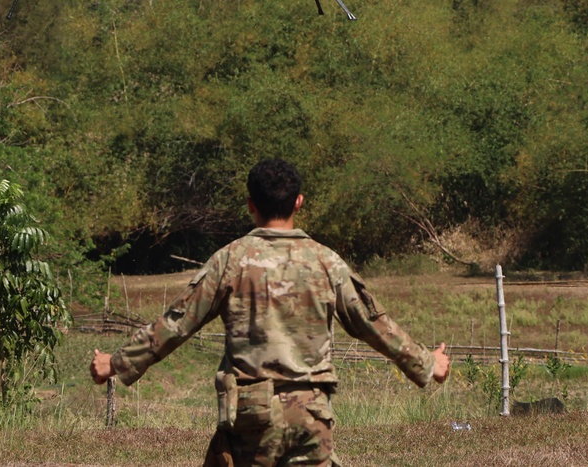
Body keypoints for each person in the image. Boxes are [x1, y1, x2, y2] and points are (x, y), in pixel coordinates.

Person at [90, 158, 450, 467]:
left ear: (250, 204)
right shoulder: (327, 262)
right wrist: (427, 363)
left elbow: (177, 324)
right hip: (312, 415)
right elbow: (372, 324)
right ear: (299, 202)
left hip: (250, 415)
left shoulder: (230, 260)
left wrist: (116, 363)